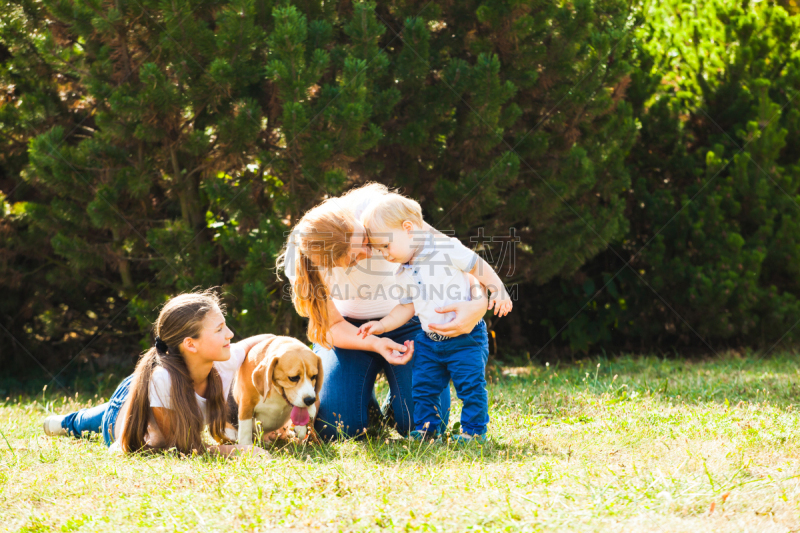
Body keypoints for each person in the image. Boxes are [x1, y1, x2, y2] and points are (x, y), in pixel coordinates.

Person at [276, 183, 489, 440]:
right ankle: (363, 401)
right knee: (337, 428)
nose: (369, 252)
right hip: (350, 332)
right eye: (354, 258)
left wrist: (478, 304)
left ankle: (392, 406)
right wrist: (376, 343)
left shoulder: (378, 209)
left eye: (365, 240)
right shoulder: (303, 257)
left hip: (409, 321)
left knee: (423, 421)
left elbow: (457, 259)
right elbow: (331, 326)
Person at [357, 193, 512, 443]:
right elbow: (407, 306)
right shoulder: (403, 272)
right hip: (429, 340)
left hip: (465, 338)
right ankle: (428, 430)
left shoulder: (445, 248)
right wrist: (382, 325)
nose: (384, 254)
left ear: (408, 229)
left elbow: (477, 265)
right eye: (379, 249)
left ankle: (474, 431)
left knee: (470, 386)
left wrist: (498, 288)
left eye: (386, 246)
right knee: (423, 387)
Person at [42, 290, 268, 456]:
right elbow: (178, 448)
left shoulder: (224, 359)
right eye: (219, 329)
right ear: (191, 344)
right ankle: (64, 422)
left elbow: (260, 342)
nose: (230, 334)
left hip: (152, 385)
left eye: (225, 325)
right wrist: (237, 451)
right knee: (88, 423)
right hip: (124, 409)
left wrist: (284, 349)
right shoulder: (164, 381)